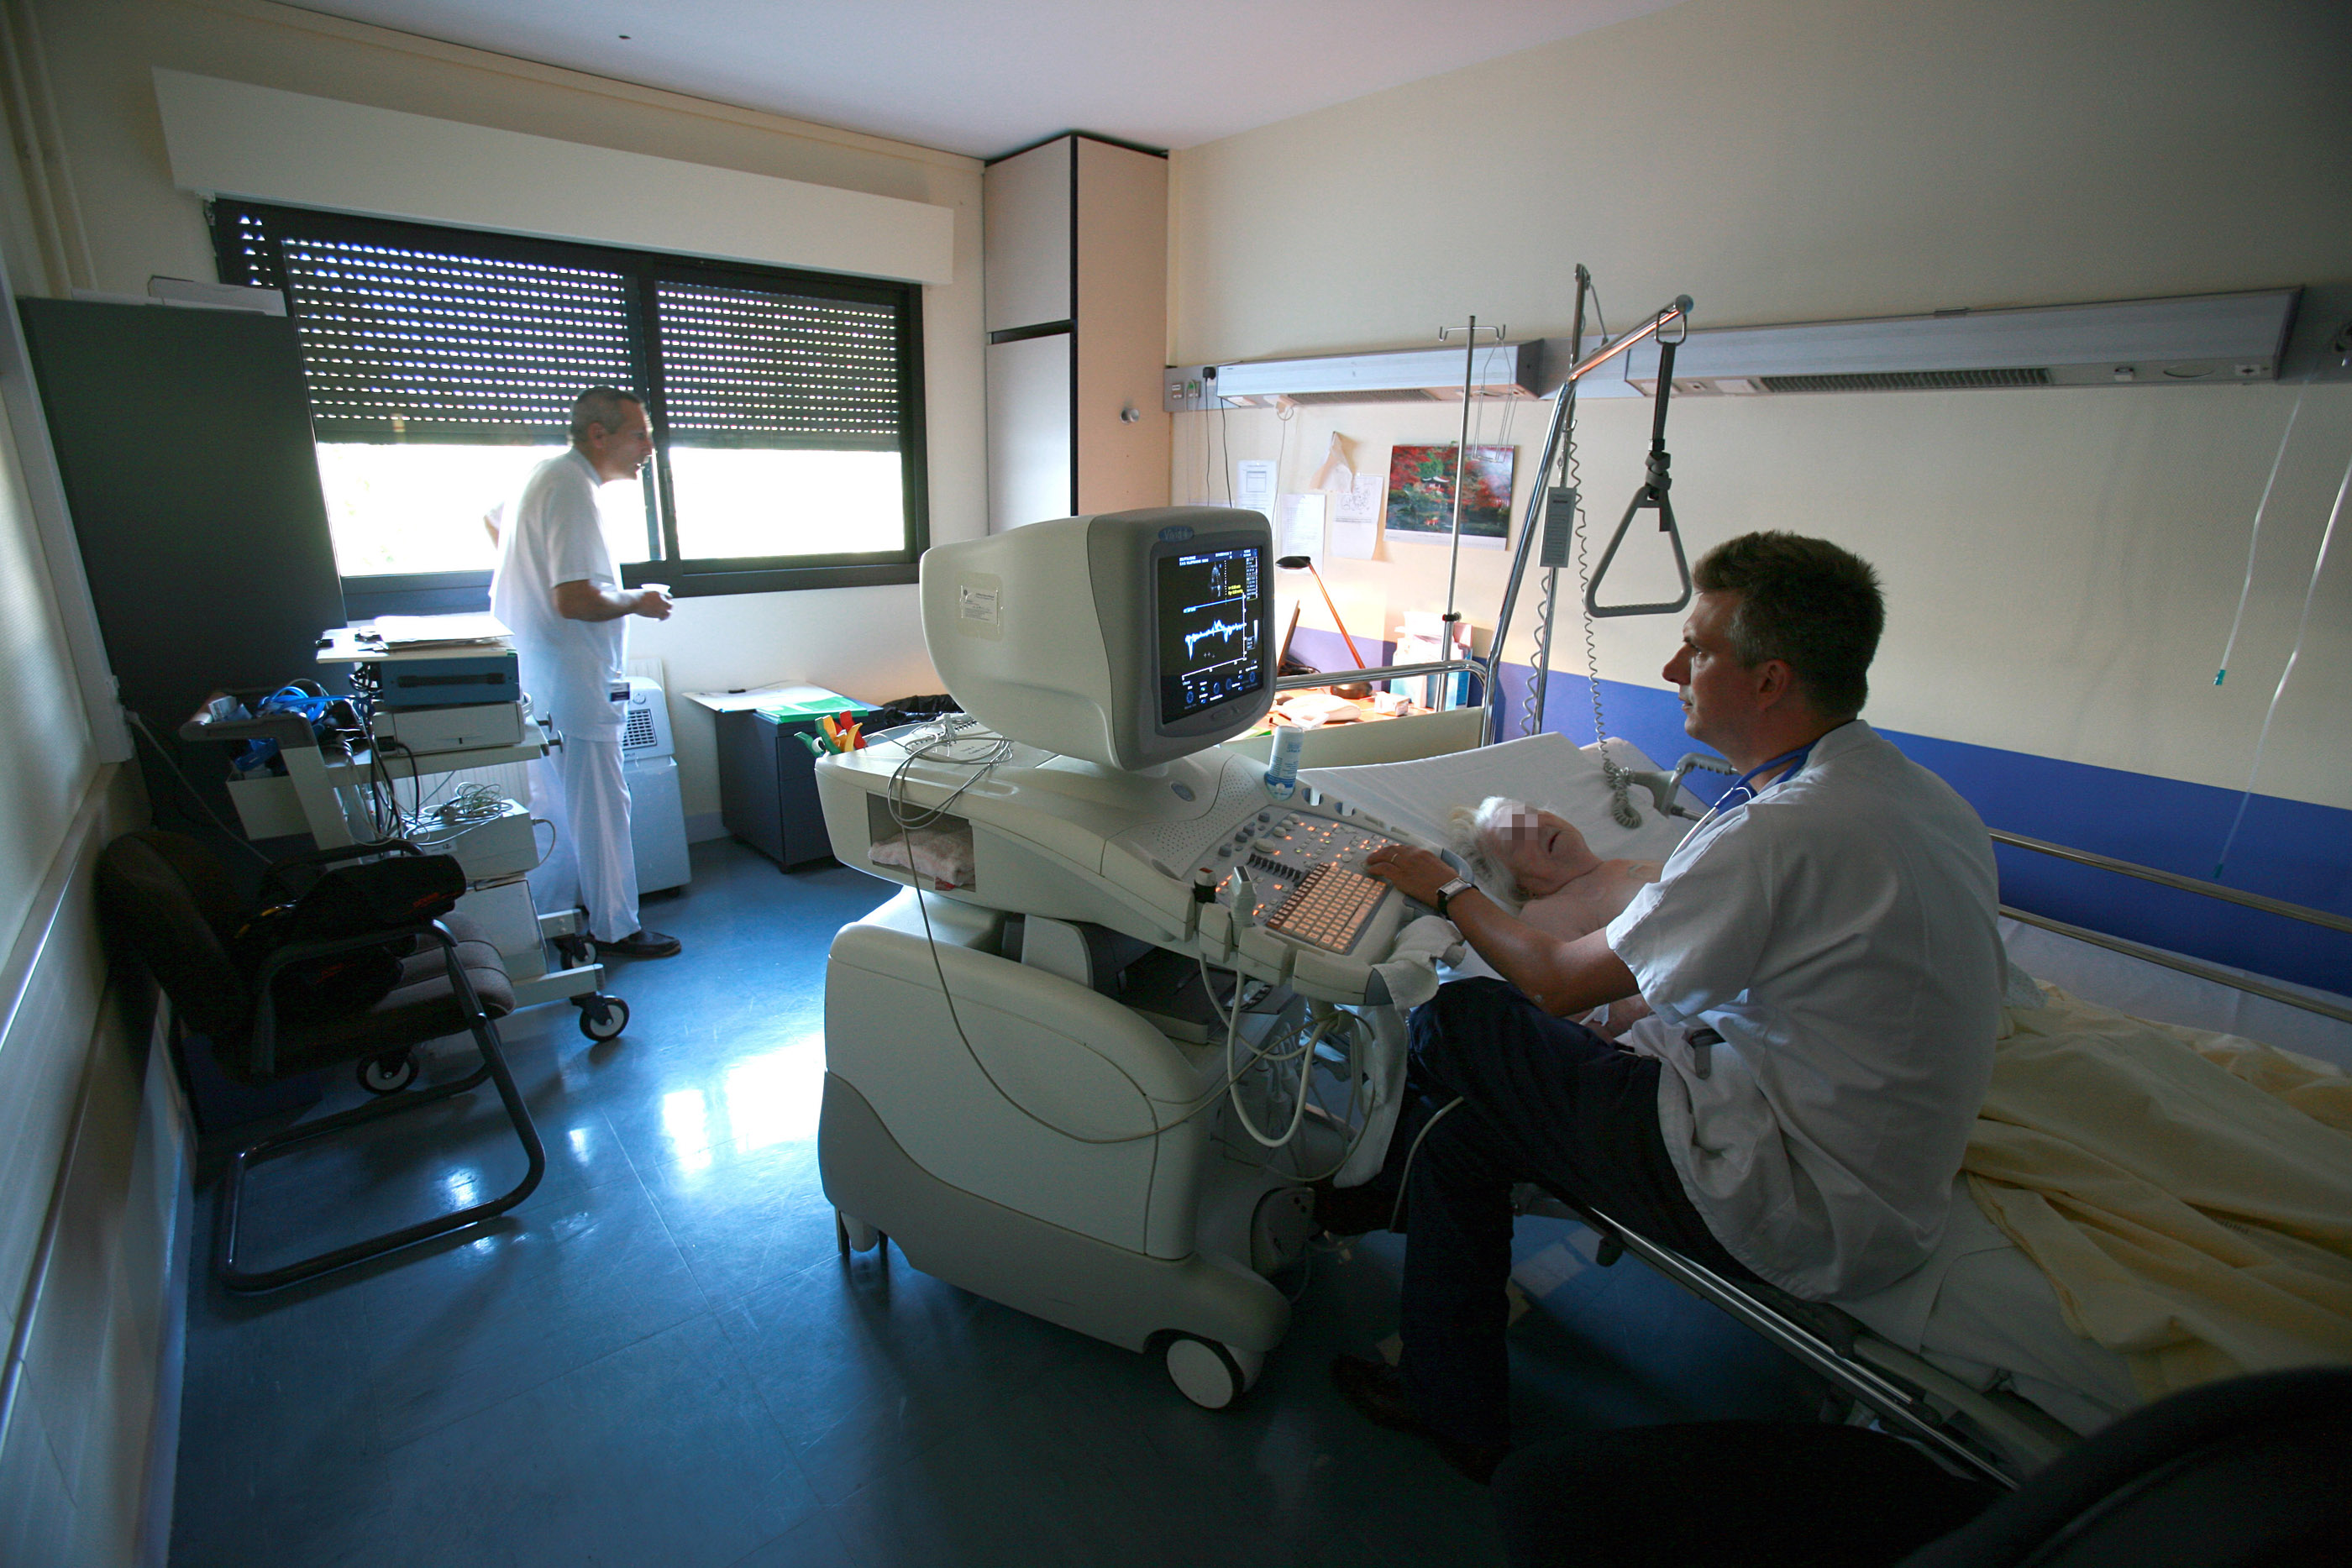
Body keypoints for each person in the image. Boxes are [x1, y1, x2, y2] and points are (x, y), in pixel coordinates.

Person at [1337, 532, 2003, 1482]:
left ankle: (1357, 1199)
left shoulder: (1775, 834)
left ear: (1769, 680)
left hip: (1795, 1192)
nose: (1671, 669)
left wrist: (1446, 888)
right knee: (1466, 1132)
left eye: (1697, 648)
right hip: (1871, 1160)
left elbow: (1554, 983)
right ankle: (1451, 1399)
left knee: (1456, 1020)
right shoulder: (1921, 798)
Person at [491, 385, 682, 960]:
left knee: (554, 807)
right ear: (599, 435)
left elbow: (493, 522)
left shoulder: (545, 475)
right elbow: (575, 599)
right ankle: (615, 929)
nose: (649, 447)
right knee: (601, 807)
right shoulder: (572, 486)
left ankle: (554, 920)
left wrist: (528, 581)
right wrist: (639, 600)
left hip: (542, 677)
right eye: (640, 434)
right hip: (573, 679)